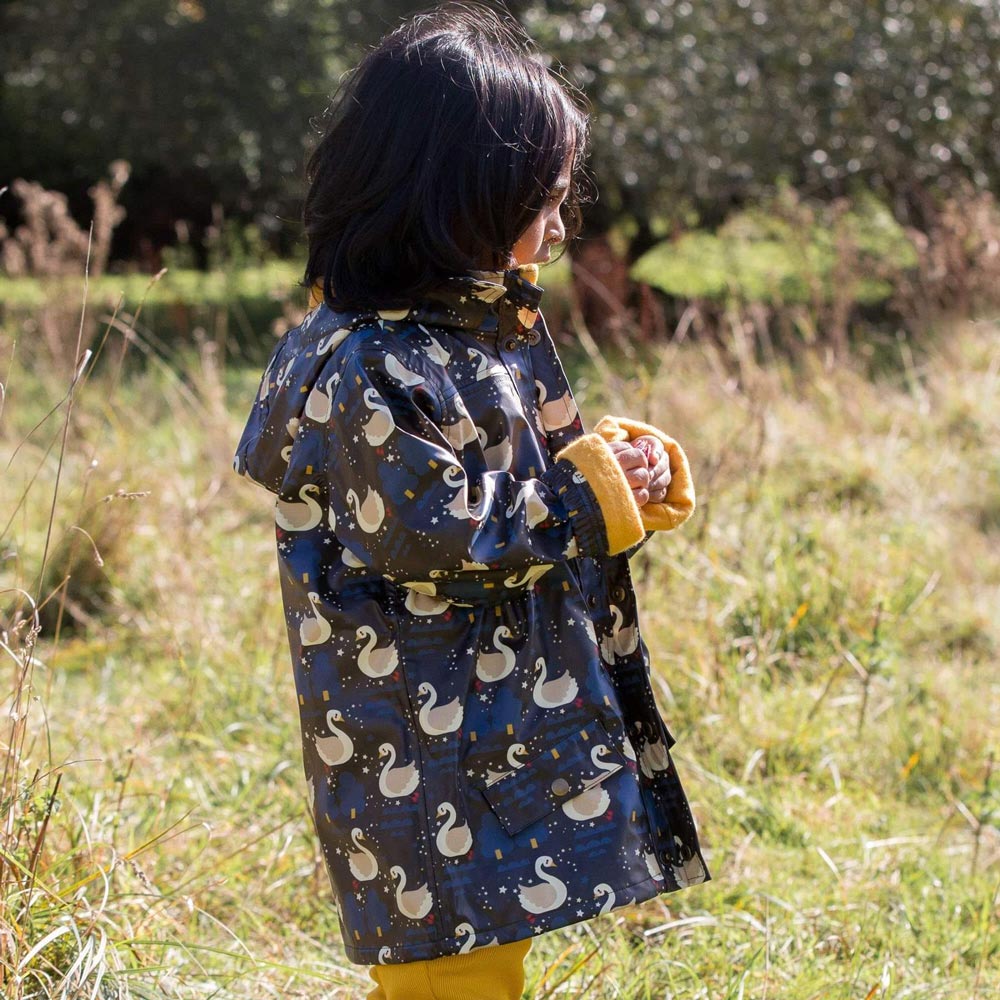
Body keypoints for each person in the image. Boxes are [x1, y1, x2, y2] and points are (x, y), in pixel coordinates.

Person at [233, 4, 709, 998]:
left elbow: (506, 469)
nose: (560, 223)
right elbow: (440, 530)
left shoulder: (452, 331)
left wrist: (618, 467)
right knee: (453, 980)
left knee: (485, 969)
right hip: (425, 761)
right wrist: (588, 494)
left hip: (486, 738)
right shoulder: (367, 362)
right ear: (458, 194)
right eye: (541, 197)